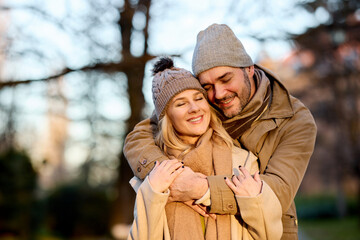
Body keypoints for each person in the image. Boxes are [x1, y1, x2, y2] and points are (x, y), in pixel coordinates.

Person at [124, 24, 317, 240]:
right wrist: (169, 178)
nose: (218, 93)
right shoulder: (203, 101)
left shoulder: (294, 118)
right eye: (206, 86)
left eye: (226, 79)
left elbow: (277, 190)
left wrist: (198, 188)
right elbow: (139, 136)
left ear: (249, 69)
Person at [127, 57, 282, 240]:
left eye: (198, 98)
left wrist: (253, 202)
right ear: (166, 117)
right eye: (181, 103)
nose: (194, 108)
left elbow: (271, 235)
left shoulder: (242, 162)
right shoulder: (155, 174)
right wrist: (153, 192)